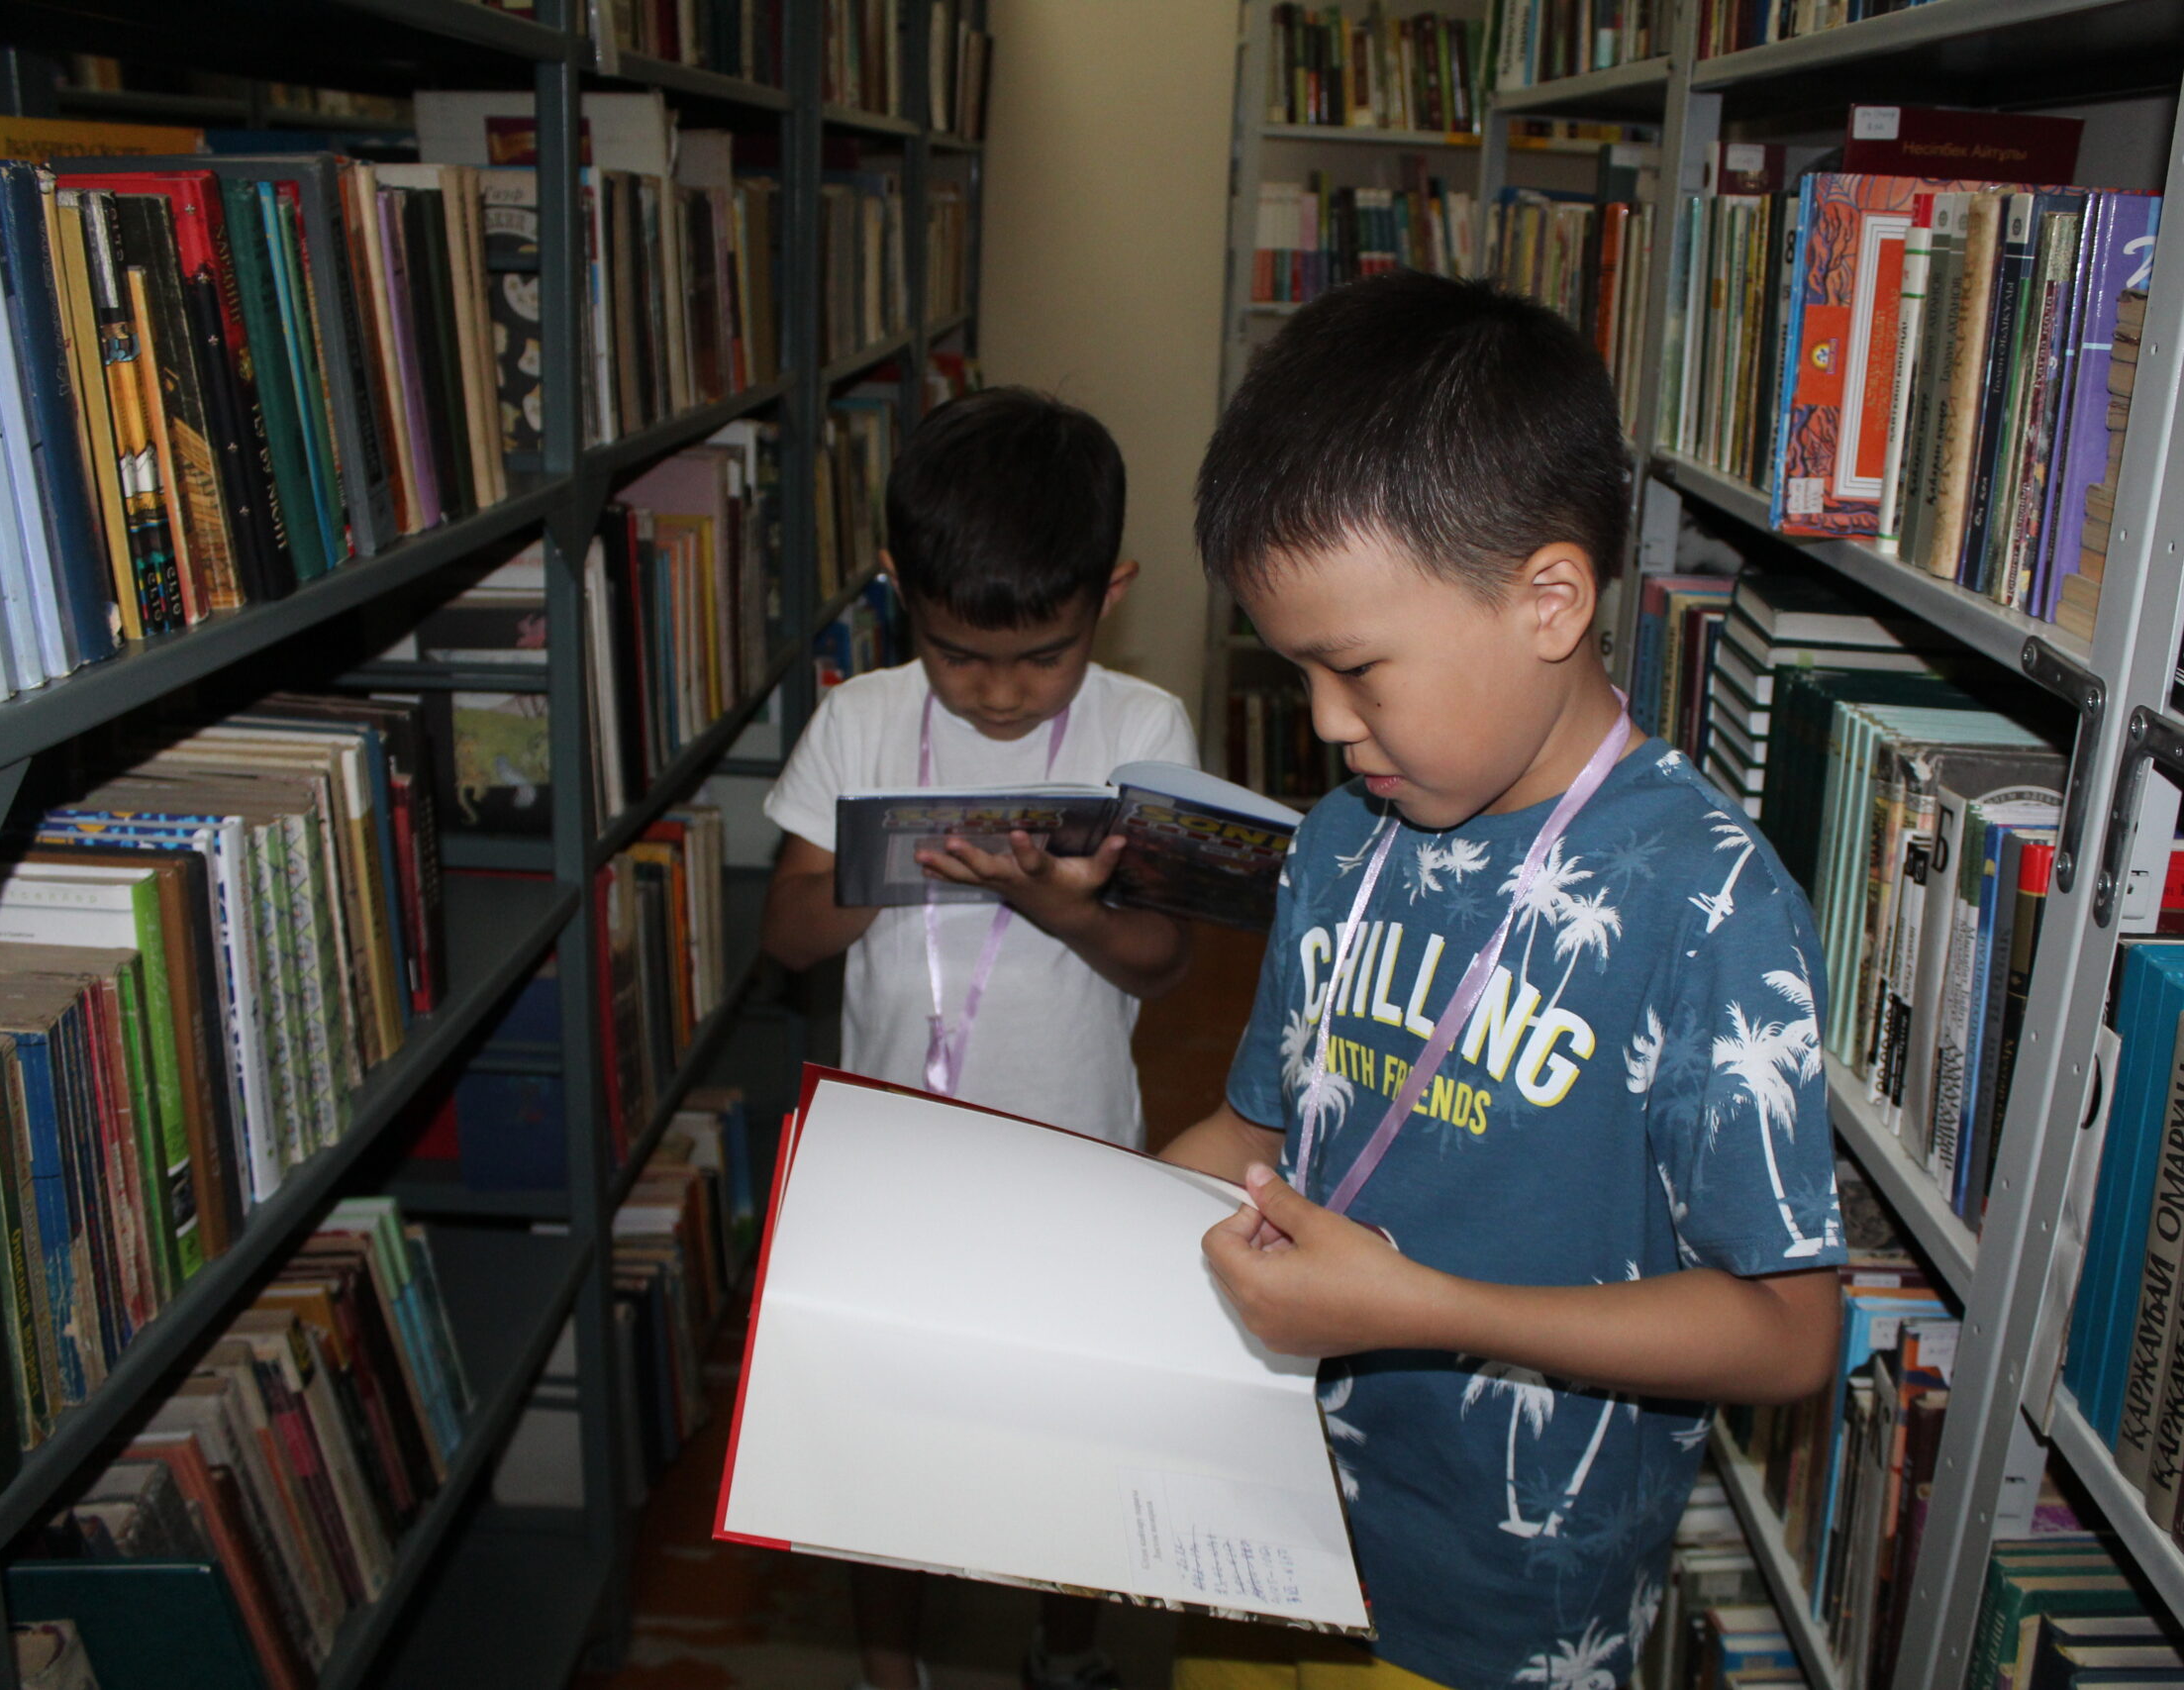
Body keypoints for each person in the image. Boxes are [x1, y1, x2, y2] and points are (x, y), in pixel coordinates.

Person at [1158, 271, 1847, 1690]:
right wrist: (1067, 1234)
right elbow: (1251, 1132)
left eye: (1357, 670)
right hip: (1247, 1520)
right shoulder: (1343, 838)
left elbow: (1789, 1334)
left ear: (1549, 600)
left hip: (1498, 1620)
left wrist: (1428, 1309)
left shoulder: (1706, 900)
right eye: (1297, 672)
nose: (1326, 724)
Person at [761, 385, 1198, 1690]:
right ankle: (888, 1666)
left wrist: (1063, 910)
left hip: (1075, 1150)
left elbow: (1163, 957)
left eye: (1043, 656)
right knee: (884, 1441)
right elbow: (787, 934)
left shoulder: (1144, 731)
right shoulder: (859, 720)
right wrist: (901, 865)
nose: (1000, 692)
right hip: (890, 1165)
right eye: (958, 655)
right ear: (899, 589)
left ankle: (1062, 1645)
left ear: (1111, 594)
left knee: (1068, 1433)